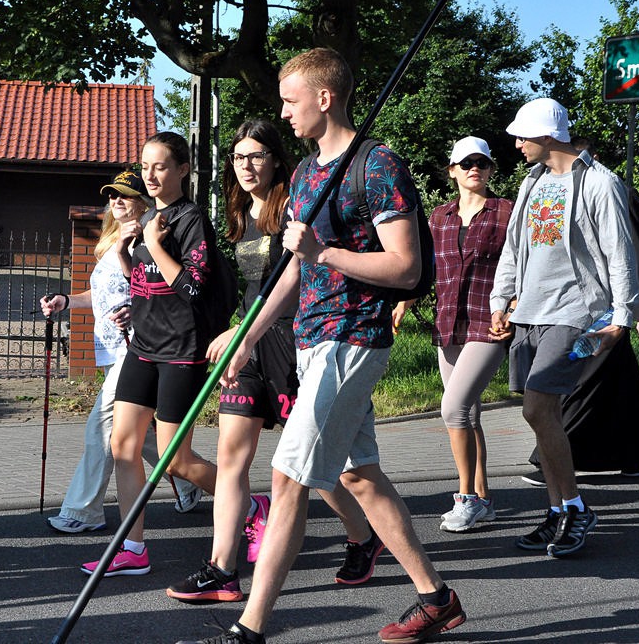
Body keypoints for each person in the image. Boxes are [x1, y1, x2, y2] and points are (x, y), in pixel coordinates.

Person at [176, 48, 466, 644]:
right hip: (311, 340)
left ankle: (249, 628)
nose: (282, 113)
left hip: (353, 338)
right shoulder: (309, 172)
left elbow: (407, 269)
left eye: (290, 99)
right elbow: (292, 270)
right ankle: (436, 599)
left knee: (287, 480)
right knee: (359, 476)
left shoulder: (378, 165)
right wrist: (248, 337)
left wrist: (323, 253)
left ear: (325, 98)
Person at [166, 120, 377, 604]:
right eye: (238, 157)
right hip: (250, 342)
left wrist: (246, 329)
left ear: (276, 161)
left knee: (319, 466)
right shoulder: (239, 212)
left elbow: (299, 281)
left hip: (295, 341)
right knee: (230, 457)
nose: (246, 166)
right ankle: (222, 568)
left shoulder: (293, 207)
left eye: (256, 156)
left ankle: (363, 534)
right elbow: (251, 289)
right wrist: (235, 329)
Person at [489, 98, 639, 558]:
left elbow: (620, 252)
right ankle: (557, 512)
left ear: (548, 135)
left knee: (537, 409)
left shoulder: (600, 183)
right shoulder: (532, 184)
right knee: (542, 414)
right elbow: (514, 248)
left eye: (522, 135)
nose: (516, 144)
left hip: (574, 312)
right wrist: (502, 299)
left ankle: (575, 508)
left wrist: (621, 318)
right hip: (530, 312)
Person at [80, 132, 219, 577]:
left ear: (182, 170)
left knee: (175, 457)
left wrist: (155, 244)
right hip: (143, 346)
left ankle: (252, 504)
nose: (151, 174)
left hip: (182, 350)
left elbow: (193, 287)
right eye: (145, 166)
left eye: (161, 166)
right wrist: (125, 253)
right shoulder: (148, 219)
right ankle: (133, 548)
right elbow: (146, 284)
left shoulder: (191, 219)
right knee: (122, 444)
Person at [40, 171, 200, 534]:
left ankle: (84, 511)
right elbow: (101, 295)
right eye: (112, 196)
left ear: (143, 201)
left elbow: (165, 288)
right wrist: (67, 301)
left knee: (99, 427)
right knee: (137, 436)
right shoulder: (111, 240)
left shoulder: (153, 237)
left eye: (125, 196)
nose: (117, 201)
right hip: (114, 351)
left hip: (137, 348)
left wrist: (136, 307)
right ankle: (189, 482)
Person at [520, 137, 639, 484]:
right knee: (618, 386)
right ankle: (637, 453)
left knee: (580, 384)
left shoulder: (607, 188)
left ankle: (557, 462)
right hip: (597, 308)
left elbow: (631, 257)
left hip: (601, 310)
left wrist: (637, 313)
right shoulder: (548, 185)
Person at [393, 136, 513, 533]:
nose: (473, 168)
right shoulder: (438, 217)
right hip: (449, 322)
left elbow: (525, 264)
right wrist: (405, 301)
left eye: (481, 162)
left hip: (489, 322)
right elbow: (426, 269)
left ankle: (464, 498)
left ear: (491, 169)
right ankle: (485, 499)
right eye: (465, 163)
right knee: (469, 413)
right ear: (452, 171)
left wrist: (514, 306)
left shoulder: (507, 213)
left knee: (453, 408)